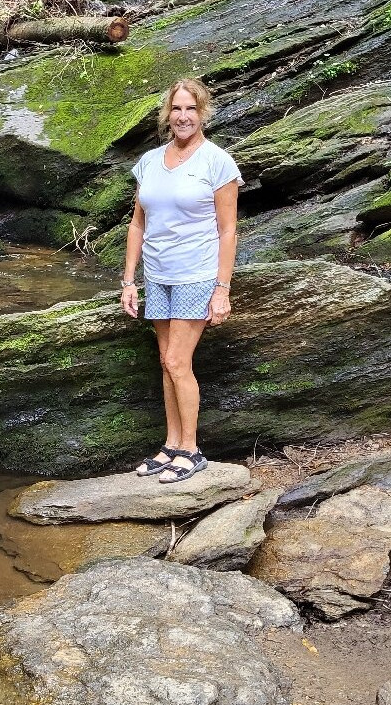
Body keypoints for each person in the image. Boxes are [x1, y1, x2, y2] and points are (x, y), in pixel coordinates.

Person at [120, 78, 242, 483]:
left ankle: (191, 448)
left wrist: (222, 289)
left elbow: (228, 230)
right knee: (165, 361)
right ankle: (171, 445)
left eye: (191, 109)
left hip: (196, 274)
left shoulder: (217, 162)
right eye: (177, 109)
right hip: (157, 275)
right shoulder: (150, 162)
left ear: (202, 113)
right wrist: (129, 280)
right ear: (167, 114)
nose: (183, 117)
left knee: (177, 360)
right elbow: (137, 224)